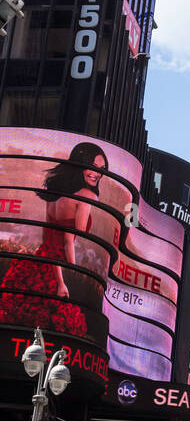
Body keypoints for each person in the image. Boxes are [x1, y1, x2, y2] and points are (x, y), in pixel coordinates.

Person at [0, 141, 109, 337]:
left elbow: (51, 240)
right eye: (92, 167)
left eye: (101, 169)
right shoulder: (87, 196)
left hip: (39, 261)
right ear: (80, 165)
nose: (97, 173)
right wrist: (68, 275)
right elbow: (68, 241)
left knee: (19, 318)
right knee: (57, 325)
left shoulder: (56, 196)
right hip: (54, 268)